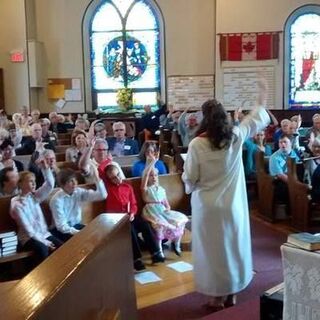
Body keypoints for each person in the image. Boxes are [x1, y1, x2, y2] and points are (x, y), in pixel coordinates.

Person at [182, 80, 270, 310]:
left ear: (204, 118)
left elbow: (190, 177)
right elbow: (257, 118)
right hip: (233, 205)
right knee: (232, 247)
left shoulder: (196, 145)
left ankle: (216, 298)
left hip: (208, 207)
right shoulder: (236, 136)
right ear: (224, 117)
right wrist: (262, 94)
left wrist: (188, 184)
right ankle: (231, 293)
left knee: (212, 253)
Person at [103, 164, 165, 271]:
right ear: (109, 179)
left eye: (118, 175)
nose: (118, 179)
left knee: (145, 224)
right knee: (130, 229)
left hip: (130, 216)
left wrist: (132, 213)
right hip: (118, 220)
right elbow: (110, 211)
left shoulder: (127, 187)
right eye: (113, 178)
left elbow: (133, 204)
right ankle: (136, 259)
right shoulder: (108, 190)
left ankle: (155, 252)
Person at [10, 159, 63, 265]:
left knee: (62, 247)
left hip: (43, 234)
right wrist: (46, 242)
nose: (34, 184)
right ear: (20, 184)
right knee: (43, 249)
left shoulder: (34, 197)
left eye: (34, 181)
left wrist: (45, 168)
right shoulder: (17, 204)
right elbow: (29, 230)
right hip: (27, 238)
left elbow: (49, 185)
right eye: (30, 181)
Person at [141, 156, 188, 256]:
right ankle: (159, 251)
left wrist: (167, 209)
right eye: (151, 175)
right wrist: (153, 162)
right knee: (159, 226)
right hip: (151, 212)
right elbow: (145, 175)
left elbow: (167, 204)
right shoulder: (146, 189)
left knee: (180, 220)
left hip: (162, 211)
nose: (154, 177)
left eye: (156, 175)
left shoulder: (161, 189)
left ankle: (176, 245)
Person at [50, 167, 107, 242]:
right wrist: (80, 233)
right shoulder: (57, 200)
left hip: (75, 226)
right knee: (85, 239)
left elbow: (102, 195)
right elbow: (61, 226)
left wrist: (97, 179)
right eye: (70, 181)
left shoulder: (78, 192)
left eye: (75, 180)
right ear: (62, 185)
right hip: (60, 230)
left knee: (97, 233)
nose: (75, 183)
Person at [269, 134, 300, 202]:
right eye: (280, 142)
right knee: (284, 188)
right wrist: (295, 184)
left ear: (290, 143)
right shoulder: (274, 157)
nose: (283, 144)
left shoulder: (293, 153)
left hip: (293, 178)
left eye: (285, 142)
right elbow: (280, 175)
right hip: (280, 180)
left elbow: (298, 167)